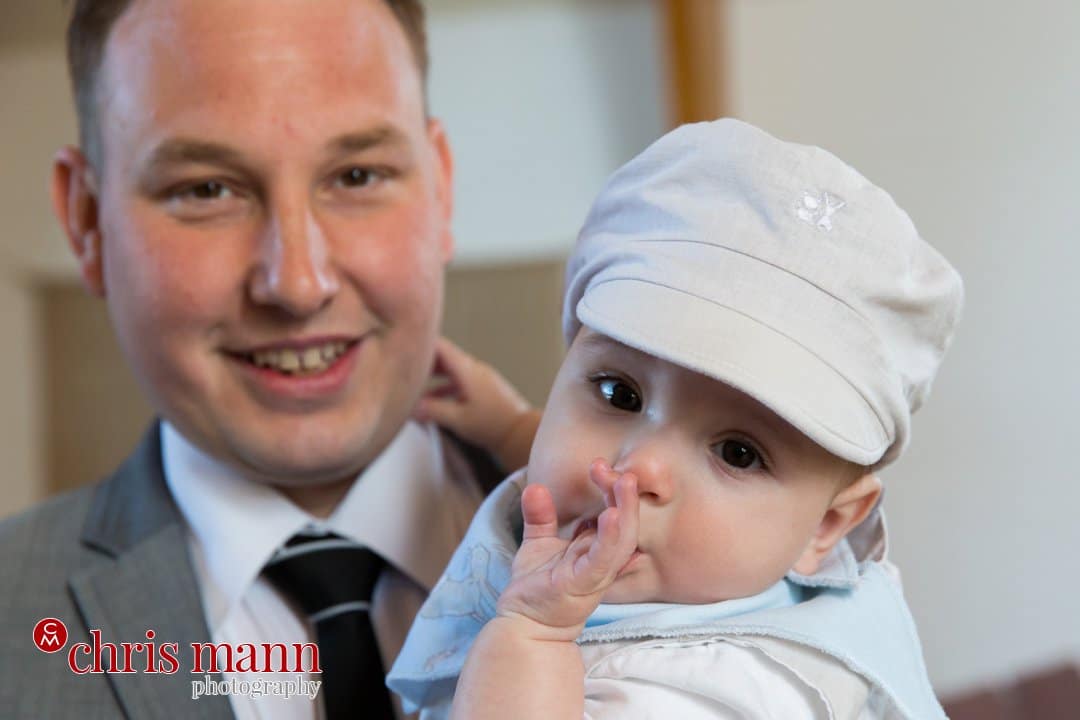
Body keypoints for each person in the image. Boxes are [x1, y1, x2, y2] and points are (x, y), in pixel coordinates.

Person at [0, 1, 527, 718]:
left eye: (357, 175)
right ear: (87, 224)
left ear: (441, 187)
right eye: (207, 189)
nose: (297, 283)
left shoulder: (685, 558)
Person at [387, 118, 963, 719]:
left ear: (828, 525)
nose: (637, 467)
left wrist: (531, 636)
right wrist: (508, 427)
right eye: (619, 393)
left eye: (738, 453)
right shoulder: (729, 579)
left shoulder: (711, 692)